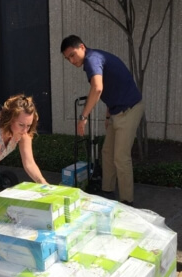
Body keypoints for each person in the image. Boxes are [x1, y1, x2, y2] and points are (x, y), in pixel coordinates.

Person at [61, 35, 144, 206]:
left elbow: (98, 88)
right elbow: (111, 88)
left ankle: (127, 202)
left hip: (129, 110)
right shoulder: (94, 59)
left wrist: (83, 117)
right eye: (67, 58)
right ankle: (107, 190)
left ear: (82, 47)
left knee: (121, 157)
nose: (71, 60)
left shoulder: (92, 59)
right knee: (107, 152)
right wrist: (107, 116)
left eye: (72, 55)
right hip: (116, 111)